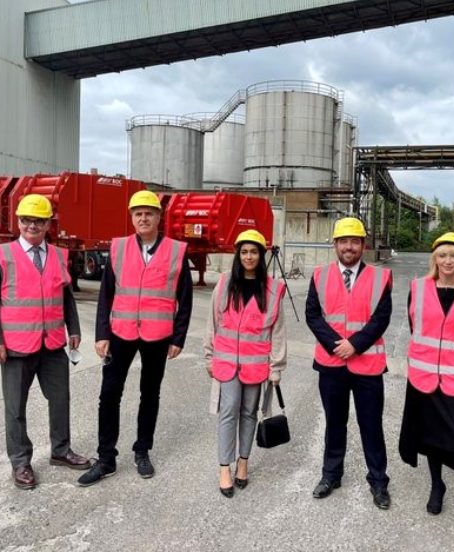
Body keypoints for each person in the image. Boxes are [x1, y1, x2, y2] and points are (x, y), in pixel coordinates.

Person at [79, 190, 192, 486]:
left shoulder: (177, 251)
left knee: (149, 394)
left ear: (159, 217)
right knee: (109, 394)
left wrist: (178, 337)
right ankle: (106, 458)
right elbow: (106, 294)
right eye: (138, 213)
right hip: (121, 333)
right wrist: (102, 333)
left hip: (157, 334)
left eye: (149, 213)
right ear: (131, 217)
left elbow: (185, 297)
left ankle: (142, 450)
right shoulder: (118, 248)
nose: (143, 218)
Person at [0, 193, 90, 490]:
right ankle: (20, 461)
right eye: (27, 220)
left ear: (47, 224)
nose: (32, 225)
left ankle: (61, 450)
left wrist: (74, 328)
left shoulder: (58, 255)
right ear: (18, 221)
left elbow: (65, 295)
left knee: (61, 399)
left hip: (52, 344)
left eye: (38, 221)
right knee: (15, 407)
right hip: (15, 347)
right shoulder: (0, 256)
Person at [399, 232, 454, 536]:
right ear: (434, 259)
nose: (447, 261)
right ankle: (437, 485)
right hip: (423, 378)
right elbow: (416, 327)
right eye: (442, 255)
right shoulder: (418, 288)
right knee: (430, 437)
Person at [305, 217, 393, 510]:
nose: (349, 247)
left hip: (367, 365)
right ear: (335, 245)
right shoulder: (319, 275)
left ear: (363, 246)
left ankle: (378, 482)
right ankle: (331, 475)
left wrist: (354, 344)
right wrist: (336, 346)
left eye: (355, 241)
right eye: (343, 241)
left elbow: (381, 318)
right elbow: (313, 316)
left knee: (371, 425)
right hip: (331, 366)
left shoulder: (380, 278)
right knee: (334, 423)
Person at [203, 229, 287, 498]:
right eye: (244, 252)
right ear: (238, 255)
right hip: (226, 363)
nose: (248, 256)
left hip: (256, 366)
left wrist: (276, 367)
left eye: (254, 252)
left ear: (261, 256)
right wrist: (209, 355)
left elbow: (278, 331)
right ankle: (224, 468)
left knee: (250, 413)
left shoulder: (273, 290)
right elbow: (212, 322)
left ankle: (243, 462)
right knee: (229, 412)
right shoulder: (225, 283)